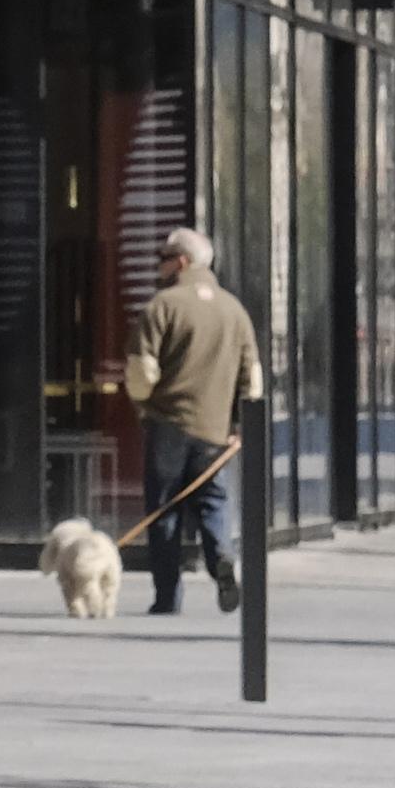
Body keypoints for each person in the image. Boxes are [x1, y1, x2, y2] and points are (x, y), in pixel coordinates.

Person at [107, 229, 254, 616]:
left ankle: (168, 596)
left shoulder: (163, 306)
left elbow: (141, 370)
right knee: (213, 501)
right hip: (216, 430)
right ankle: (221, 557)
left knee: (164, 509)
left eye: (163, 258)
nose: (158, 265)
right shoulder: (234, 310)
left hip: (168, 424)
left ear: (182, 262)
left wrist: (143, 405)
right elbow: (251, 376)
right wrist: (241, 424)